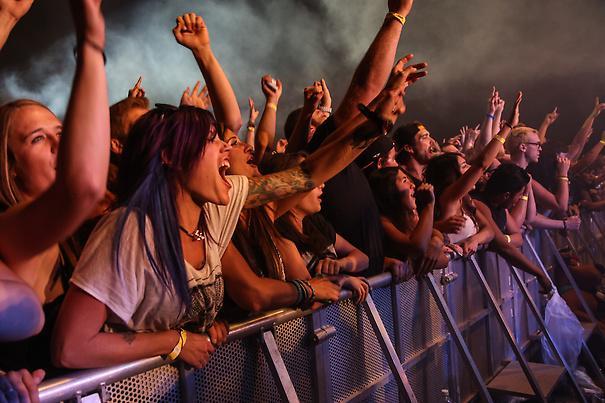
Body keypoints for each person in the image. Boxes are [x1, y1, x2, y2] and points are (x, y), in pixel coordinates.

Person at [52, 11, 421, 370]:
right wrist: (174, 342)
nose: (225, 149)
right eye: (212, 140)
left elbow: (307, 174)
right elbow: (71, 347)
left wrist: (374, 124)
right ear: (171, 157)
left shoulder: (214, 212)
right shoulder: (130, 229)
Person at [0, 0, 109, 399]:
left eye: (62, 130)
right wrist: (92, 46)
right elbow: (80, 185)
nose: (60, 142)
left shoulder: (79, 238)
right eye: (38, 138)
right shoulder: (7, 234)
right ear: (10, 168)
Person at [369, 167, 449, 277]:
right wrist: (429, 205)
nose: (413, 185)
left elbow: (443, 259)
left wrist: (436, 241)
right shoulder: (383, 222)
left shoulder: (408, 219)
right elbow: (417, 247)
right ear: (388, 189)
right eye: (405, 180)